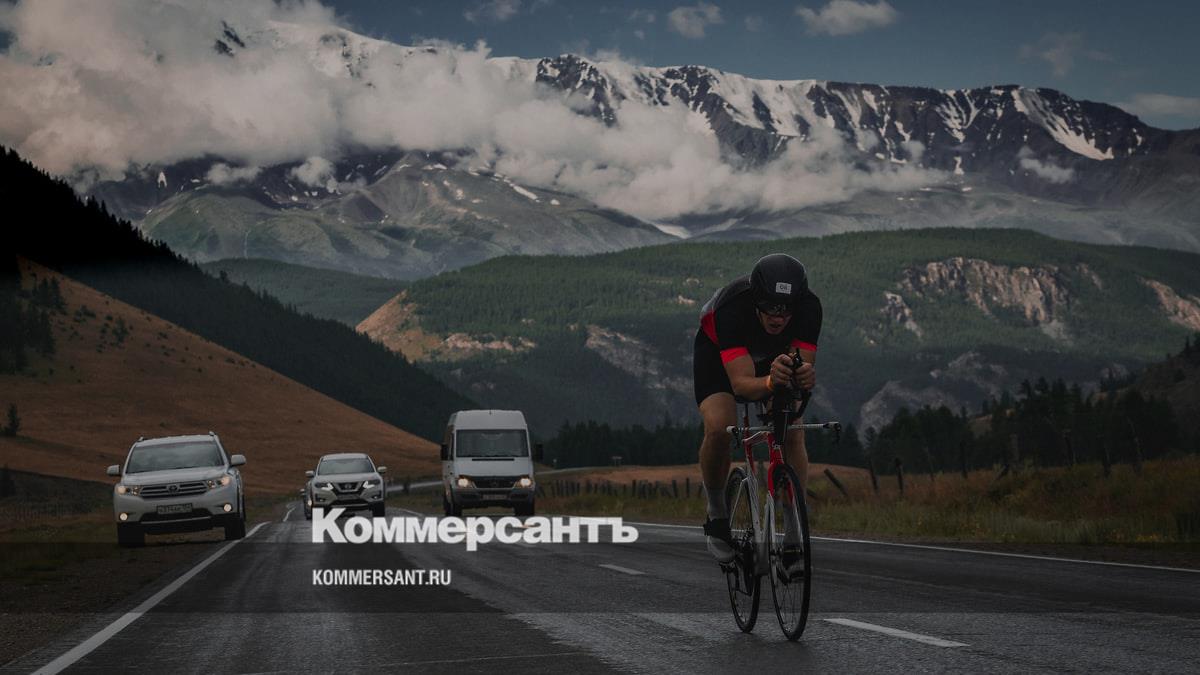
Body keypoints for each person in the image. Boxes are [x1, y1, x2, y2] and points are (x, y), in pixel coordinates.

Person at [692, 253, 821, 565]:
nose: (778, 317)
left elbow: (799, 368)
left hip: (773, 357)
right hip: (718, 357)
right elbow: (740, 385)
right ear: (755, 300)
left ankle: (794, 526)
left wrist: (802, 377)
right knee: (720, 428)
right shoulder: (732, 308)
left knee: (792, 429)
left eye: (786, 309)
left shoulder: (809, 308)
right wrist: (770, 383)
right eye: (769, 307)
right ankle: (717, 514)